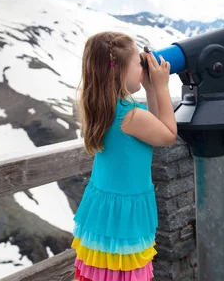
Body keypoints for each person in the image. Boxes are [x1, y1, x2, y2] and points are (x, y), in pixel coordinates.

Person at [71, 31, 177, 281]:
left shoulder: (103, 110)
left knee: (102, 275)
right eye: (138, 63)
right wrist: (162, 86)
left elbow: (154, 127)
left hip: (102, 211)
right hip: (125, 216)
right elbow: (168, 134)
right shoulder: (131, 116)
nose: (143, 67)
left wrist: (150, 89)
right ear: (119, 70)